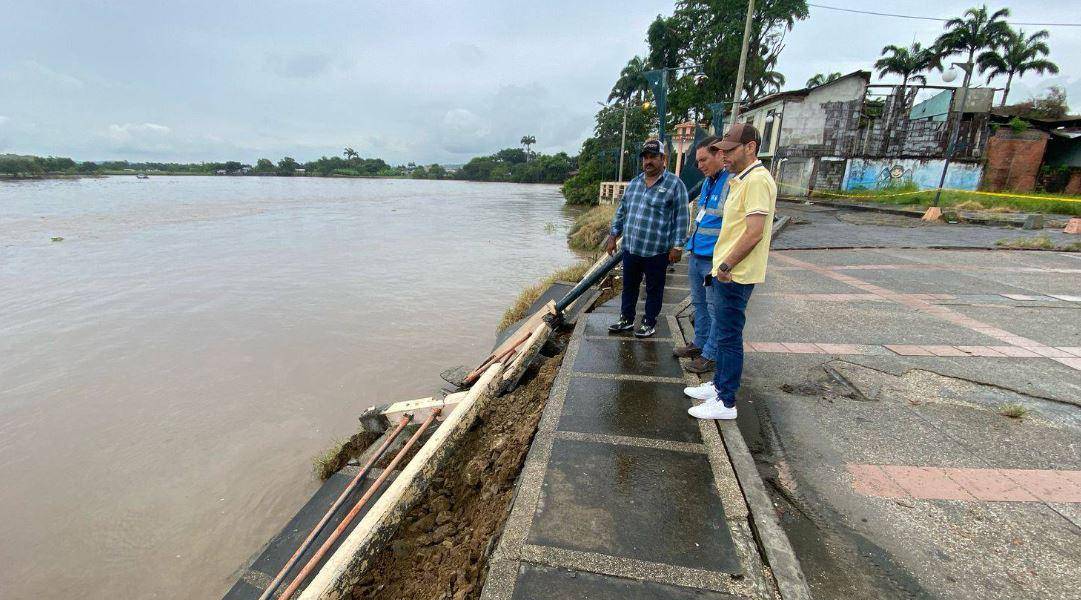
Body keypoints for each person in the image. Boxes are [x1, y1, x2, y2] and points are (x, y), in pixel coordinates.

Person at [685, 124, 776, 420]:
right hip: (727, 272)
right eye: (722, 150)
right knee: (724, 333)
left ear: (750, 147)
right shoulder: (742, 180)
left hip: (735, 274)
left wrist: (726, 265)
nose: (724, 155)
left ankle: (725, 401)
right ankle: (719, 386)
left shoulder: (758, 181)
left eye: (730, 149)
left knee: (728, 335)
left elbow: (754, 233)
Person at [605, 139, 689, 338]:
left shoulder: (675, 185)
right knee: (629, 287)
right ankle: (626, 319)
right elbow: (622, 211)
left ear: (663, 159)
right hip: (631, 248)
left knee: (654, 289)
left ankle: (649, 322)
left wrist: (677, 246)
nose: (648, 161)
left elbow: (682, 218)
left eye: (653, 157)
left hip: (657, 251)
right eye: (645, 158)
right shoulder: (635, 183)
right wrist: (613, 234)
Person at [673, 136, 730, 375]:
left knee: (714, 307)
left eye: (703, 159)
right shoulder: (708, 183)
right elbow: (701, 217)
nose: (700, 166)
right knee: (699, 304)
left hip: (713, 258)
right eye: (697, 162)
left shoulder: (731, 183)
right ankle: (699, 343)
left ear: (719, 155)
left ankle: (710, 354)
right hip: (696, 253)